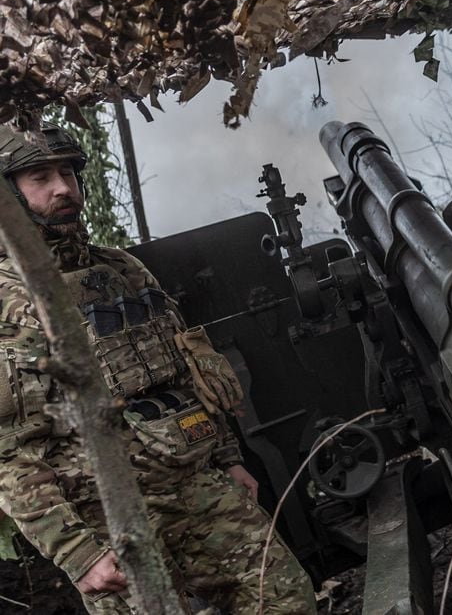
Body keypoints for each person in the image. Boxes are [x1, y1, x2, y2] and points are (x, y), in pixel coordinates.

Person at [0, 125, 317, 613]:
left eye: (67, 172)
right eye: (40, 177)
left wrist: (229, 458)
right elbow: (10, 451)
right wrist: (77, 552)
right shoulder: (12, 301)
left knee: (285, 599)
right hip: (110, 521)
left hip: (195, 483)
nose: (63, 188)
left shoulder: (122, 269)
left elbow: (189, 367)